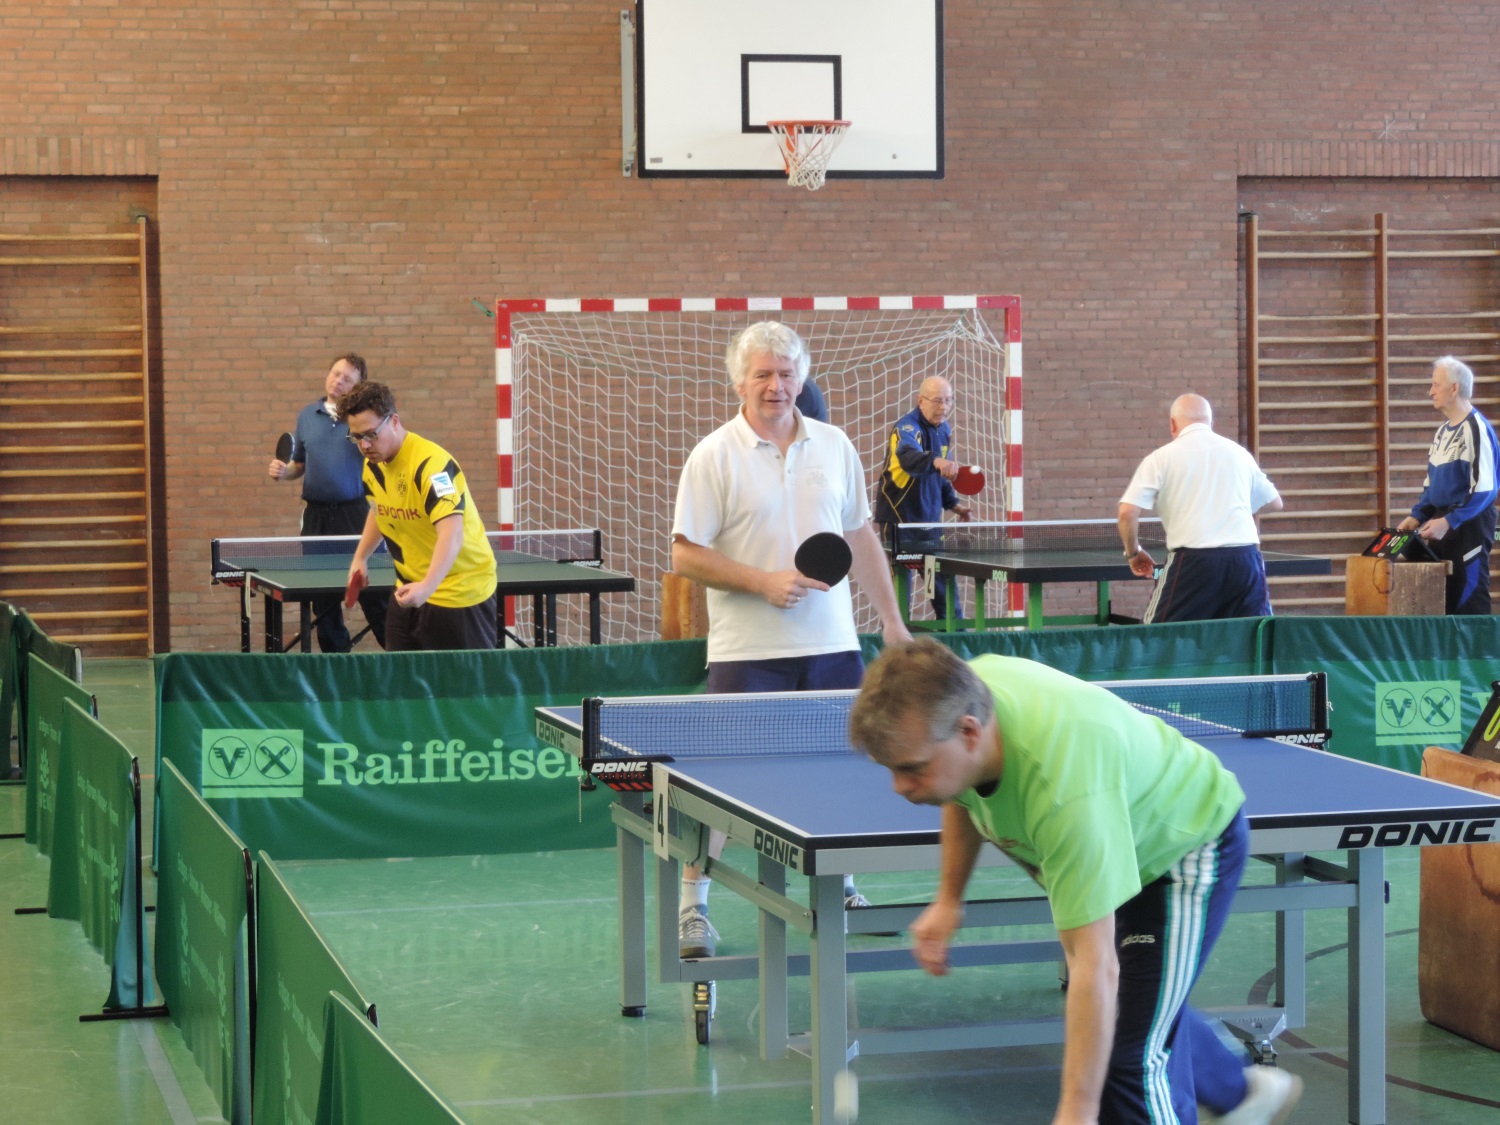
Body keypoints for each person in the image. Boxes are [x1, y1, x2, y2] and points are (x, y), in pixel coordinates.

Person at [848, 638, 1304, 1125]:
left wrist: (1077, 1110)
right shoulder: (962, 697)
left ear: (969, 732)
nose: (900, 787)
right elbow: (963, 794)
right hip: (1115, 838)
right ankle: (1244, 1094)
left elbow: (1093, 966)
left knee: (1127, 1062)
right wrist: (948, 899)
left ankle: (1236, 1094)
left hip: (1182, 848)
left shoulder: (1066, 794)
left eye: (912, 769)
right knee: (1137, 1006)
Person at [670, 320, 913, 957]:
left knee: (841, 770)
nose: (775, 386)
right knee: (723, 785)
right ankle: (693, 904)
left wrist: (891, 621)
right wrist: (762, 583)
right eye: (762, 375)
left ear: (801, 377)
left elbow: (859, 535)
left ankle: (841, 887)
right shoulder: (713, 455)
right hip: (748, 652)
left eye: (785, 373)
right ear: (739, 383)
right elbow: (684, 554)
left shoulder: (834, 445)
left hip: (832, 646)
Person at [338, 381, 498, 652]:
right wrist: (361, 558)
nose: (364, 445)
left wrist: (427, 587)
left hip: (460, 593)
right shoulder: (373, 466)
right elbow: (380, 510)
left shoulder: (432, 466)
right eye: (356, 437)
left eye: (371, 434)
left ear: (394, 421)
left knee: (462, 680)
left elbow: (452, 534)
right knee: (400, 677)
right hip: (409, 591)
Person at [1117, 395, 1283, 623]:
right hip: (1246, 561)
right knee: (1254, 636)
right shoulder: (1239, 454)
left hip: (1194, 563)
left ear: (1172, 424)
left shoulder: (1160, 458)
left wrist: (1133, 553)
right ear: (1211, 423)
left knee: (1157, 637)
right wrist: (1229, 510)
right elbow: (1274, 503)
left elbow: (1127, 513)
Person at [268, 353, 389, 651]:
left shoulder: (363, 419)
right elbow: (299, 464)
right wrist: (285, 472)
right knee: (322, 602)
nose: (338, 381)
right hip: (317, 519)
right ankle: (337, 664)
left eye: (347, 379)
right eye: (335, 374)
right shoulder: (307, 416)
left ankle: (400, 659)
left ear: (359, 386)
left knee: (375, 596)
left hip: (357, 516)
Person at [1396, 355, 1500, 614]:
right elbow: (1431, 485)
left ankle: (1477, 642)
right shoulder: (1442, 432)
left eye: (1435, 385)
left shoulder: (1476, 429)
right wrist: (1417, 516)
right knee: (1445, 597)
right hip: (1443, 522)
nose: (1430, 391)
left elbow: (1485, 490)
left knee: (1468, 597)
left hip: (1469, 524)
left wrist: (1450, 522)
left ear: (1454, 388)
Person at [873, 375, 975, 620]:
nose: (944, 407)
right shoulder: (907, 428)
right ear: (921, 401)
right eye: (938, 401)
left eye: (949, 400)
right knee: (900, 593)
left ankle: (952, 636)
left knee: (939, 587)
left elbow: (940, 476)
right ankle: (898, 639)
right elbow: (908, 457)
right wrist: (936, 460)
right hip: (900, 523)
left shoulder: (943, 429)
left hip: (928, 523)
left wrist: (953, 504)